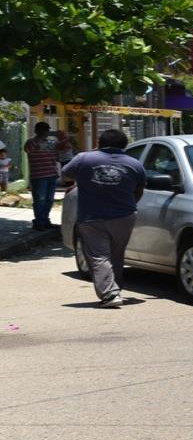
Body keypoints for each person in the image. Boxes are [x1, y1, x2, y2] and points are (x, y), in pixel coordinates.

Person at [60, 129, 146, 309]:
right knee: (116, 254)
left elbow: (65, 174)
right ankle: (116, 289)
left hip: (92, 217)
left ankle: (110, 294)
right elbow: (138, 191)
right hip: (125, 217)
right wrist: (129, 206)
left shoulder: (84, 158)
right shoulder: (135, 164)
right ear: (124, 145)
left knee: (99, 256)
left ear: (99, 143)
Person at [22, 121, 65, 230]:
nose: (44, 132)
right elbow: (28, 150)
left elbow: (64, 147)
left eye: (46, 130)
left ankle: (45, 220)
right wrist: (40, 138)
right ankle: (38, 222)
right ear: (36, 131)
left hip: (52, 174)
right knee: (40, 200)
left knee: (49, 200)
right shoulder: (31, 142)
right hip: (39, 175)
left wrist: (60, 136)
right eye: (42, 130)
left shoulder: (51, 142)